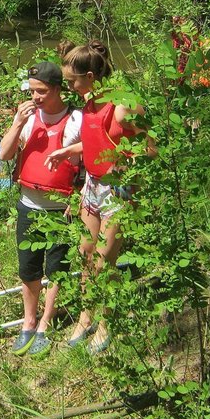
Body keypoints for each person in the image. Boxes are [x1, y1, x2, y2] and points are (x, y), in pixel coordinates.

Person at [54, 41, 155, 355]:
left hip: (118, 190)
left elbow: (151, 148)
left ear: (90, 75)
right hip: (93, 187)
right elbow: (95, 142)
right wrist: (68, 151)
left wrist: (129, 164)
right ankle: (85, 317)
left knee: (103, 262)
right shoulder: (88, 103)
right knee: (85, 255)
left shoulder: (124, 103)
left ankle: (106, 322)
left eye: (72, 81)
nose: (68, 87)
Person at [0, 60, 83, 357]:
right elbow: (5, 153)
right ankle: (29, 321)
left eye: (42, 91)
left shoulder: (76, 120)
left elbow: (90, 158)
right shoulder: (29, 119)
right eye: (32, 91)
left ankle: (46, 323)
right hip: (28, 205)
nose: (35, 97)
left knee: (57, 268)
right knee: (28, 269)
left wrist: (79, 197)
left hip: (61, 209)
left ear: (58, 89)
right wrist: (17, 123)